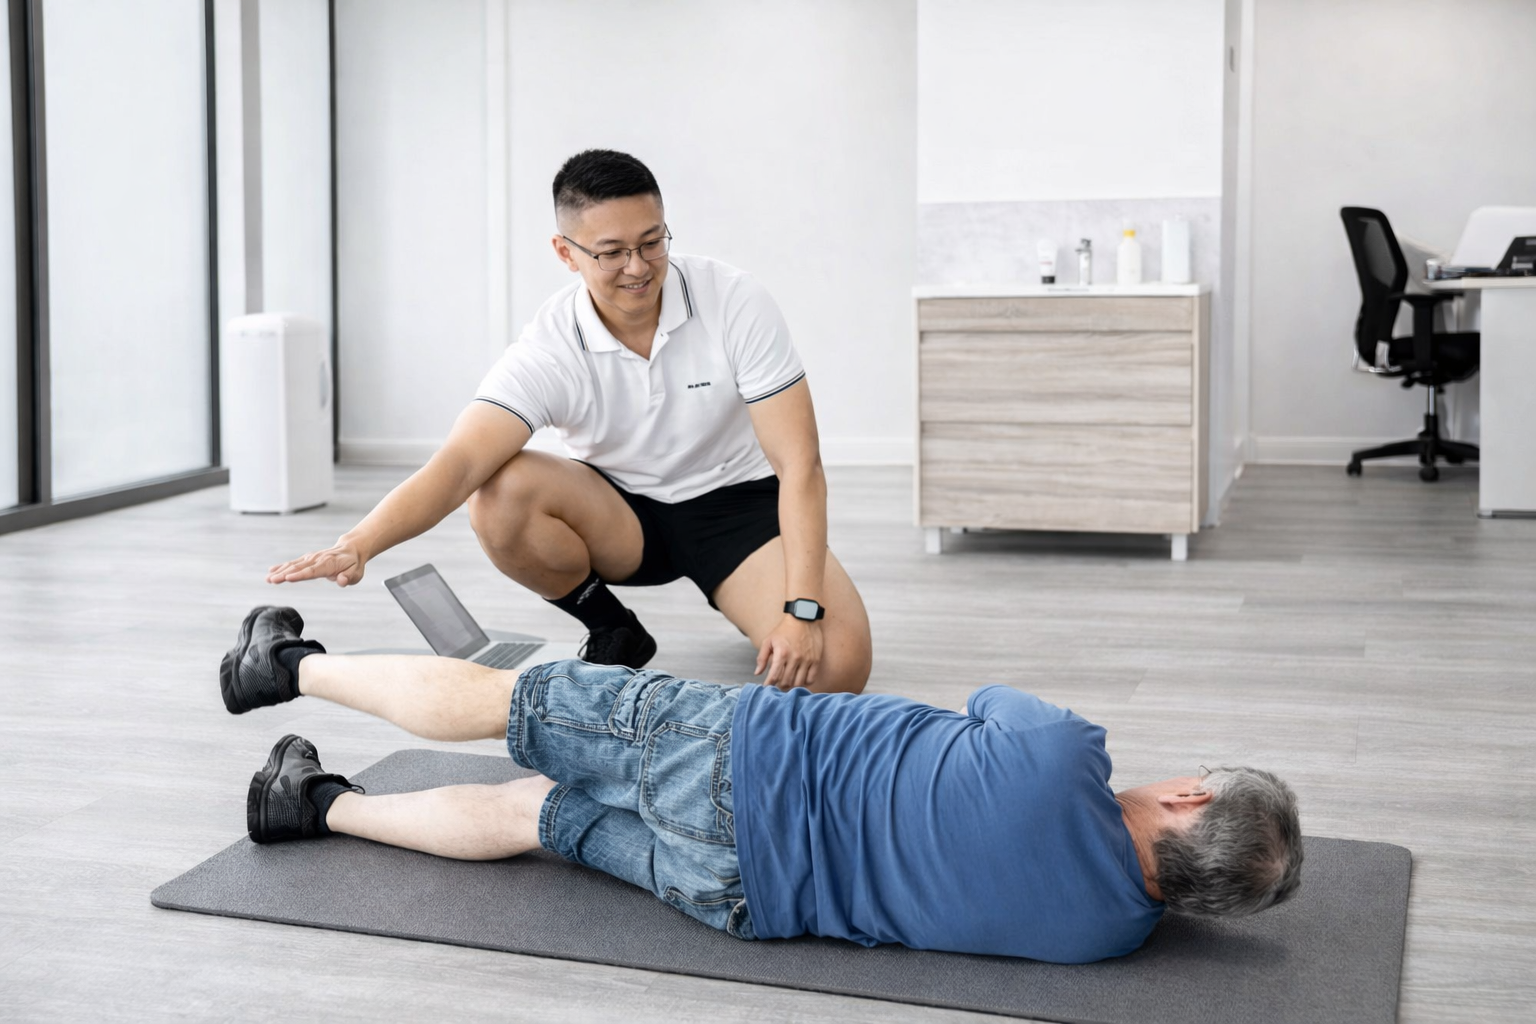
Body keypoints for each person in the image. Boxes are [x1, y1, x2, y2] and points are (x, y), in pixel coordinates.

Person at [221, 606, 1304, 964]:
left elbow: (989, 696)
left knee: (508, 702)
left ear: (1192, 802)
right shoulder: (1109, 937)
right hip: (739, 898)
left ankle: (285, 669)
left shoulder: (1070, 754)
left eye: (1196, 775)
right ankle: (315, 806)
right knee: (529, 816)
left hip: (741, 754)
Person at [265, 149, 871, 694]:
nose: (638, 266)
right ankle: (613, 629)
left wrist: (802, 612)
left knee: (837, 670)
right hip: (622, 515)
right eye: (611, 252)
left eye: (652, 242)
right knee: (499, 490)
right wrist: (359, 544)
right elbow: (459, 464)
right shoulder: (552, 343)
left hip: (737, 512)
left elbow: (801, 466)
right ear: (566, 253)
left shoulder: (735, 301)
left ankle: (746, 597)